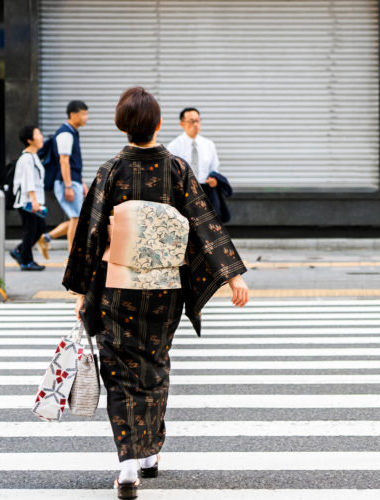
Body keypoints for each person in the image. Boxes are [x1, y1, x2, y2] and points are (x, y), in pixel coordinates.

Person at [62, 87, 249, 499]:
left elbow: (91, 234)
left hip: (118, 287)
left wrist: (80, 290)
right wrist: (233, 276)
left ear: (121, 125)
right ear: (160, 125)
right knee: (155, 364)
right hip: (165, 289)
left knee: (120, 370)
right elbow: (204, 221)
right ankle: (149, 457)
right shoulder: (178, 169)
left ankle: (128, 466)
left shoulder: (110, 171)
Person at [44, 100, 90, 254]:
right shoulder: (65, 133)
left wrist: (82, 183)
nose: (86, 118)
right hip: (66, 182)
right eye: (83, 114)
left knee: (75, 219)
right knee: (76, 219)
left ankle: (46, 238)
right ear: (73, 114)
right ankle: (73, 256)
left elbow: (73, 163)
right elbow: (64, 161)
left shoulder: (72, 132)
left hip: (73, 180)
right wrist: (68, 186)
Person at [168, 108, 229, 218]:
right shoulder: (174, 146)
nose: (195, 124)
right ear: (182, 123)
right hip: (185, 193)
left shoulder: (209, 145)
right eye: (191, 121)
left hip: (205, 191)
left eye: (198, 121)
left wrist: (214, 180)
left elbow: (214, 169)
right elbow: (171, 172)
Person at [9, 125, 47, 271]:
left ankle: (20, 251)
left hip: (32, 201)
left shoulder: (33, 156)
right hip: (27, 202)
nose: (41, 137)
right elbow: (28, 181)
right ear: (30, 140)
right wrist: (34, 200)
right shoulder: (26, 159)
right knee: (31, 230)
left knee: (39, 228)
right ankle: (26, 261)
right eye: (38, 134)